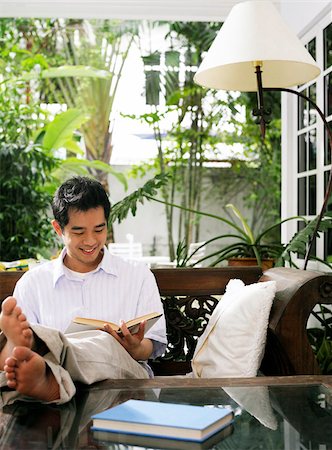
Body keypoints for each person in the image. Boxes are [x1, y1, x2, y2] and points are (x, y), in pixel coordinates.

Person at [0, 176, 167, 405]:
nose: (90, 241)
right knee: (30, 357)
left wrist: (136, 348)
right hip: (47, 374)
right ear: (58, 228)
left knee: (102, 343)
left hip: (121, 383)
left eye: (99, 229)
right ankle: (26, 356)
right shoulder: (33, 283)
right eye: (79, 232)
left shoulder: (138, 276)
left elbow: (151, 346)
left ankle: (47, 373)